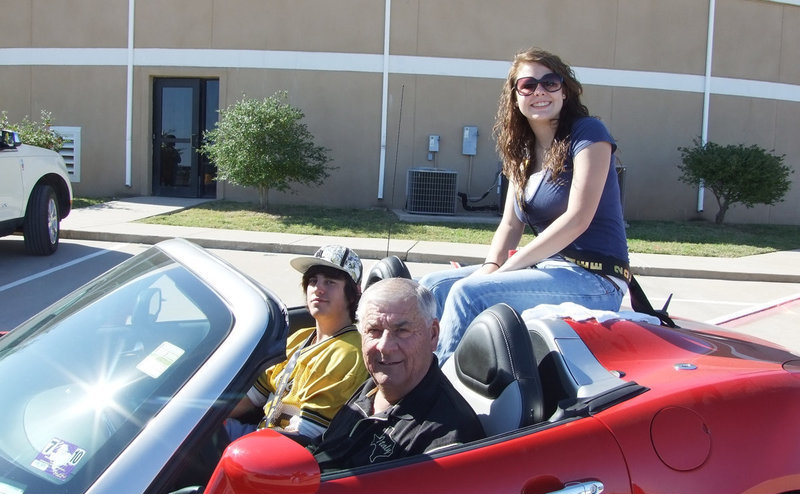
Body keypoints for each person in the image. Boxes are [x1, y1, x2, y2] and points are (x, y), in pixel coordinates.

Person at [420, 47, 630, 364]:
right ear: (516, 96)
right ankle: (411, 372)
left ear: (565, 91)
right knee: (432, 287)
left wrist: (503, 272)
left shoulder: (588, 133)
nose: (539, 91)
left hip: (595, 279)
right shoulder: (523, 154)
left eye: (550, 82)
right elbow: (510, 225)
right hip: (548, 269)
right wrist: (491, 268)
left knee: (469, 294)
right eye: (528, 85)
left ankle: (434, 394)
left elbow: (578, 219)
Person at [309, 278, 485, 471]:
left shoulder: (445, 435)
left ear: (433, 335)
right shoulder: (373, 387)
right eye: (374, 331)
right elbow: (323, 449)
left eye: (401, 331)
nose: (384, 346)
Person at [227, 245, 369, 445]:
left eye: (330, 282)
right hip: (260, 434)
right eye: (313, 281)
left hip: (277, 452)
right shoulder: (298, 338)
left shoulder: (349, 354)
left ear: (353, 293)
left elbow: (305, 436)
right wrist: (202, 418)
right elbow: (251, 399)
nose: (318, 288)